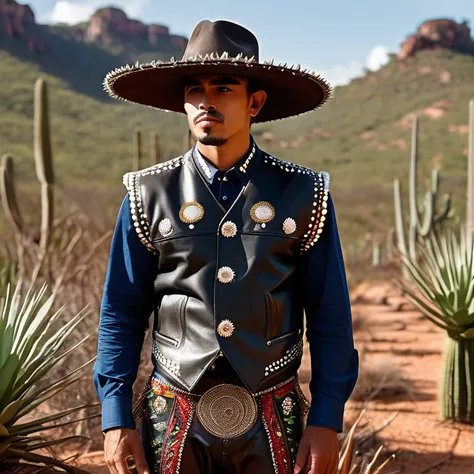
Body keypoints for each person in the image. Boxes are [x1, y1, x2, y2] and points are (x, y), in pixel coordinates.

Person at [94, 19, 359, 474]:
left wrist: (327, 417)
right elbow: (121, 312)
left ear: (254, 102)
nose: (205, 101)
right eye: (194, 89)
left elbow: (329, 315)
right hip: (170, 415)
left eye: (223, 88)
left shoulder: (303, 192)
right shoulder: (146, 194)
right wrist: (116, 416)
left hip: (274, 417)